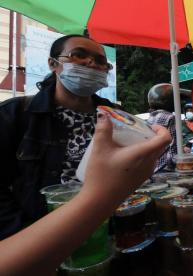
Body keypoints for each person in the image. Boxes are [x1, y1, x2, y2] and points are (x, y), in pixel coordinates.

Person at [0, 112, 171, 275]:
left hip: (105, 241)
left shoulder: (114, 114)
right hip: (41, 243)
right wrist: (103, 193)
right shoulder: (14, 114)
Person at [0, 34, 115, 240]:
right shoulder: (14, 115)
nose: (91, 62)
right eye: (78, 54)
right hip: (39, 236)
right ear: (54, 64)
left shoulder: (115, 117)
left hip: (104, 230)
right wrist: (26, 239)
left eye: (100, 61)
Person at [146, 84, 179, 172]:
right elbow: (173, 146)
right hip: (166, 168)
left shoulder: (150, 118)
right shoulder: (170, 117)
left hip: (154, 167)